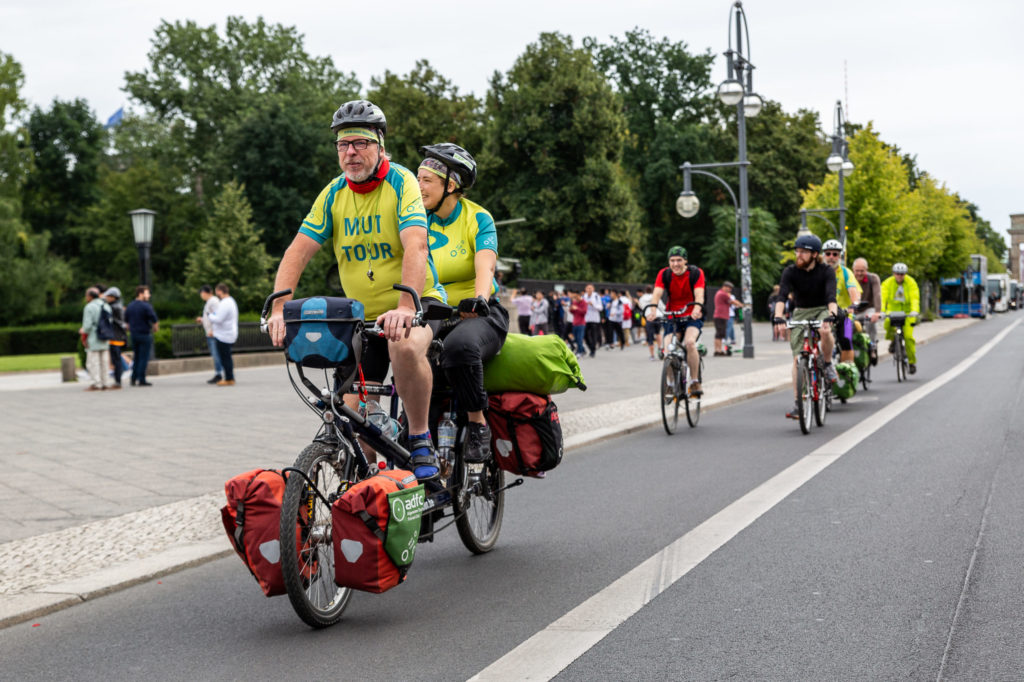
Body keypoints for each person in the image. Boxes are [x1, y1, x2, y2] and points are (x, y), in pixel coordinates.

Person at [267, 99, 447, 481]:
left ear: (380, 145)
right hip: (361, 317)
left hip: (417, 303)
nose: (351, 152)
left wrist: (404, 305)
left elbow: (416, 245)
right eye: (343, 144)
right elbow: (298, 250)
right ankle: (364, 492)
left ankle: (419, 436)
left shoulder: (402, 182)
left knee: (403, 344)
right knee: (354, 419)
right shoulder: (333, 194)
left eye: (361, 143)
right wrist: (279, 307)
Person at [417, 142, 509, 463]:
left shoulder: (478, 218)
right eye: (418, 178)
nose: (419, 185)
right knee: (410, 356)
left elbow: (486, 265)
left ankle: (477, 424)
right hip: (434, 312)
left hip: (480, 313)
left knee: (459, 347)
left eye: (426, 180)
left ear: (451, 185)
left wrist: (480, 298)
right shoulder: (417, 220)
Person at [772, 234, 838, 419]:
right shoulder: (790, 272)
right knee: (797, 359)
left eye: (803, 252)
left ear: (815, 254)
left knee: (825, 330)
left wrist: (831, 315)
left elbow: (831, 298)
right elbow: (782, 296)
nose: (798, 255)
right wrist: (778, 317)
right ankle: (798, 403)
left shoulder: (826, 271)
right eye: (797, 251)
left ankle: (826, 363)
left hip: (821, 310)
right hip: (800, 312)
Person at [645, 246, 706, 397]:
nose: (675, 264)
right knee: (667, 350)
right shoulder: (664, 274)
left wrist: (696, 308)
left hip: (692, 315)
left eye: (679, 260)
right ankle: (671, 384)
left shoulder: (696, 273)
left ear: (685, 261)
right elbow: (657, 293)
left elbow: (699, 295)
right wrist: (653, 310)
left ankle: (694, 381)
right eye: (672, 261)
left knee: (690, 343)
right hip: (672, 315)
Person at [822, 239, 861, 364]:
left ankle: (847, 371)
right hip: (823, 313)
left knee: (846, 339)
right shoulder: (818, 272)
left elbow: (853, 293)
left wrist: (854, 305)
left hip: (845, 314)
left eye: (835, 254)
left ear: (840, 256)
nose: (831, 257)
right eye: (828, 254)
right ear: (823, 255)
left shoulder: (846, 272)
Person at [881, 262, 920, 374]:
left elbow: (915, 298)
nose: (899, 276)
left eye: (902, 274)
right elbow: (882, 298)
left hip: (908, 313)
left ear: (905, 274)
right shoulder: (887, 283)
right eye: (897, 274)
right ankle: (893, 340)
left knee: (908, 337)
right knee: (887, 322)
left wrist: (914, 311)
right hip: (893, 311)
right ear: (893, 273)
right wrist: (882, 311)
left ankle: (911, 362)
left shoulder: (911, 282)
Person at [124, 285, 159, 387]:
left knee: (137, 357)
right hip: (144, 334)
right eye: (147, 293)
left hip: (134, 334)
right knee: (144, 357)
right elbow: (154, 319)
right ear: (141, 294)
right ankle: (141, 379)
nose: (149, 295)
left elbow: (126, 321)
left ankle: (133, 378)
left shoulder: (130, 306)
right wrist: (155, 328)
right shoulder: (146, 306)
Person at [79, 287, 113, 391]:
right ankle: (105, 383)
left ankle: (97, 383)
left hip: (94, 337)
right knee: (104, 362)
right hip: (105, 337)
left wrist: (82, 331)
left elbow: (87, 326)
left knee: (93, 362)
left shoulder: (89, 307)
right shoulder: (106, 306)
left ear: (89, 296)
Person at [207, 283, 239, 386]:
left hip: (224, 335)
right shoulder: (230, 301)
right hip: (227, 334)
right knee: (227, 357)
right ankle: (230, 377)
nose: (216, 294)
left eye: (216, 291)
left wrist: (210, 315)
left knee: (225, 357)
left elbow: (219, 319)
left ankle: (229, 378)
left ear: (220, 291)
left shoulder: (226, 303)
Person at [195, 285, 224, 384]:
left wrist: (213, 330)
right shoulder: (210, 302)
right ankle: (219, 373)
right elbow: (210, 316)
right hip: (211, 333)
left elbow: (218, 316)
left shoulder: (213, 301)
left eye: (201, 294)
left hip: (213, 334)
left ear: (204, 293)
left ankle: (219, 374)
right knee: (215, 354)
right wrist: (202, 320)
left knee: (216, 354)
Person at [851, 257, 882, 347]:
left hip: (868, 309)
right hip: (853, 311)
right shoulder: (849, 278)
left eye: (862, 271)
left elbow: (877, 294)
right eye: (857, 271)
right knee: (846, 327)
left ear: (867, 270)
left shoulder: (873, 278)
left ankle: (872, 345)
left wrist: (877, 312)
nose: (859, 273)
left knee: (870, 319)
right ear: (853, 270)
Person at [103, 287, 127, 388]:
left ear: (114, 297)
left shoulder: (113, 307)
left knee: (116, 359)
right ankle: (118, 380)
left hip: (115, 337)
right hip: (118, 336)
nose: (106, 298)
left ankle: (118, 381)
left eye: (108, 296)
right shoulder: (118, 306)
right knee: (117, 359)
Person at [713, 281, 739, 356]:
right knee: (719, 334)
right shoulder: (723, 294)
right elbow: (732, 302)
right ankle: (718, 350)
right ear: (725, 287)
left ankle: (719, 350)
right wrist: (741, 305)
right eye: (729, 288)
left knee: (720, 334)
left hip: (720, 316)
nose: (730, 290)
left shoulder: (720, 293)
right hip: (720, 316)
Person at [638, 285, 661, 361]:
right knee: (658, 334)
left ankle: (652, 355)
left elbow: (641, 307)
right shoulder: (655, 296)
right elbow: (661, 306)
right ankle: (660, 350)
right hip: (657, 316)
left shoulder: (642, 298)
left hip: (649, 317)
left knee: (650, 337)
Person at [582, 284, 602, 357]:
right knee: (585, 335)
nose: (589, 289)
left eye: (590, 288)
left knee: (594, 335)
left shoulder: (596, 296)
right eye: (587, 288)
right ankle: (591, 348)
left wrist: (593, 304)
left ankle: (593, 351)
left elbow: (600, 308)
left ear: (593, 289)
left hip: (594, 319)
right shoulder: (584, 296)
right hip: (586, 319)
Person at [569, 290, 587, 358]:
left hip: (581, 323)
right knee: (576, 339)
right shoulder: (574, 302)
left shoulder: (584, 302)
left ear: (579, 296)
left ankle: (580, 352)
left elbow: (584, 312)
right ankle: (582, 350)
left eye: (576, 297)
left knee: (579, 338)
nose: (575, 298)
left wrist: (577, 308)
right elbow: (572, 312)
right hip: (575, 323)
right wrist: (571, 309)